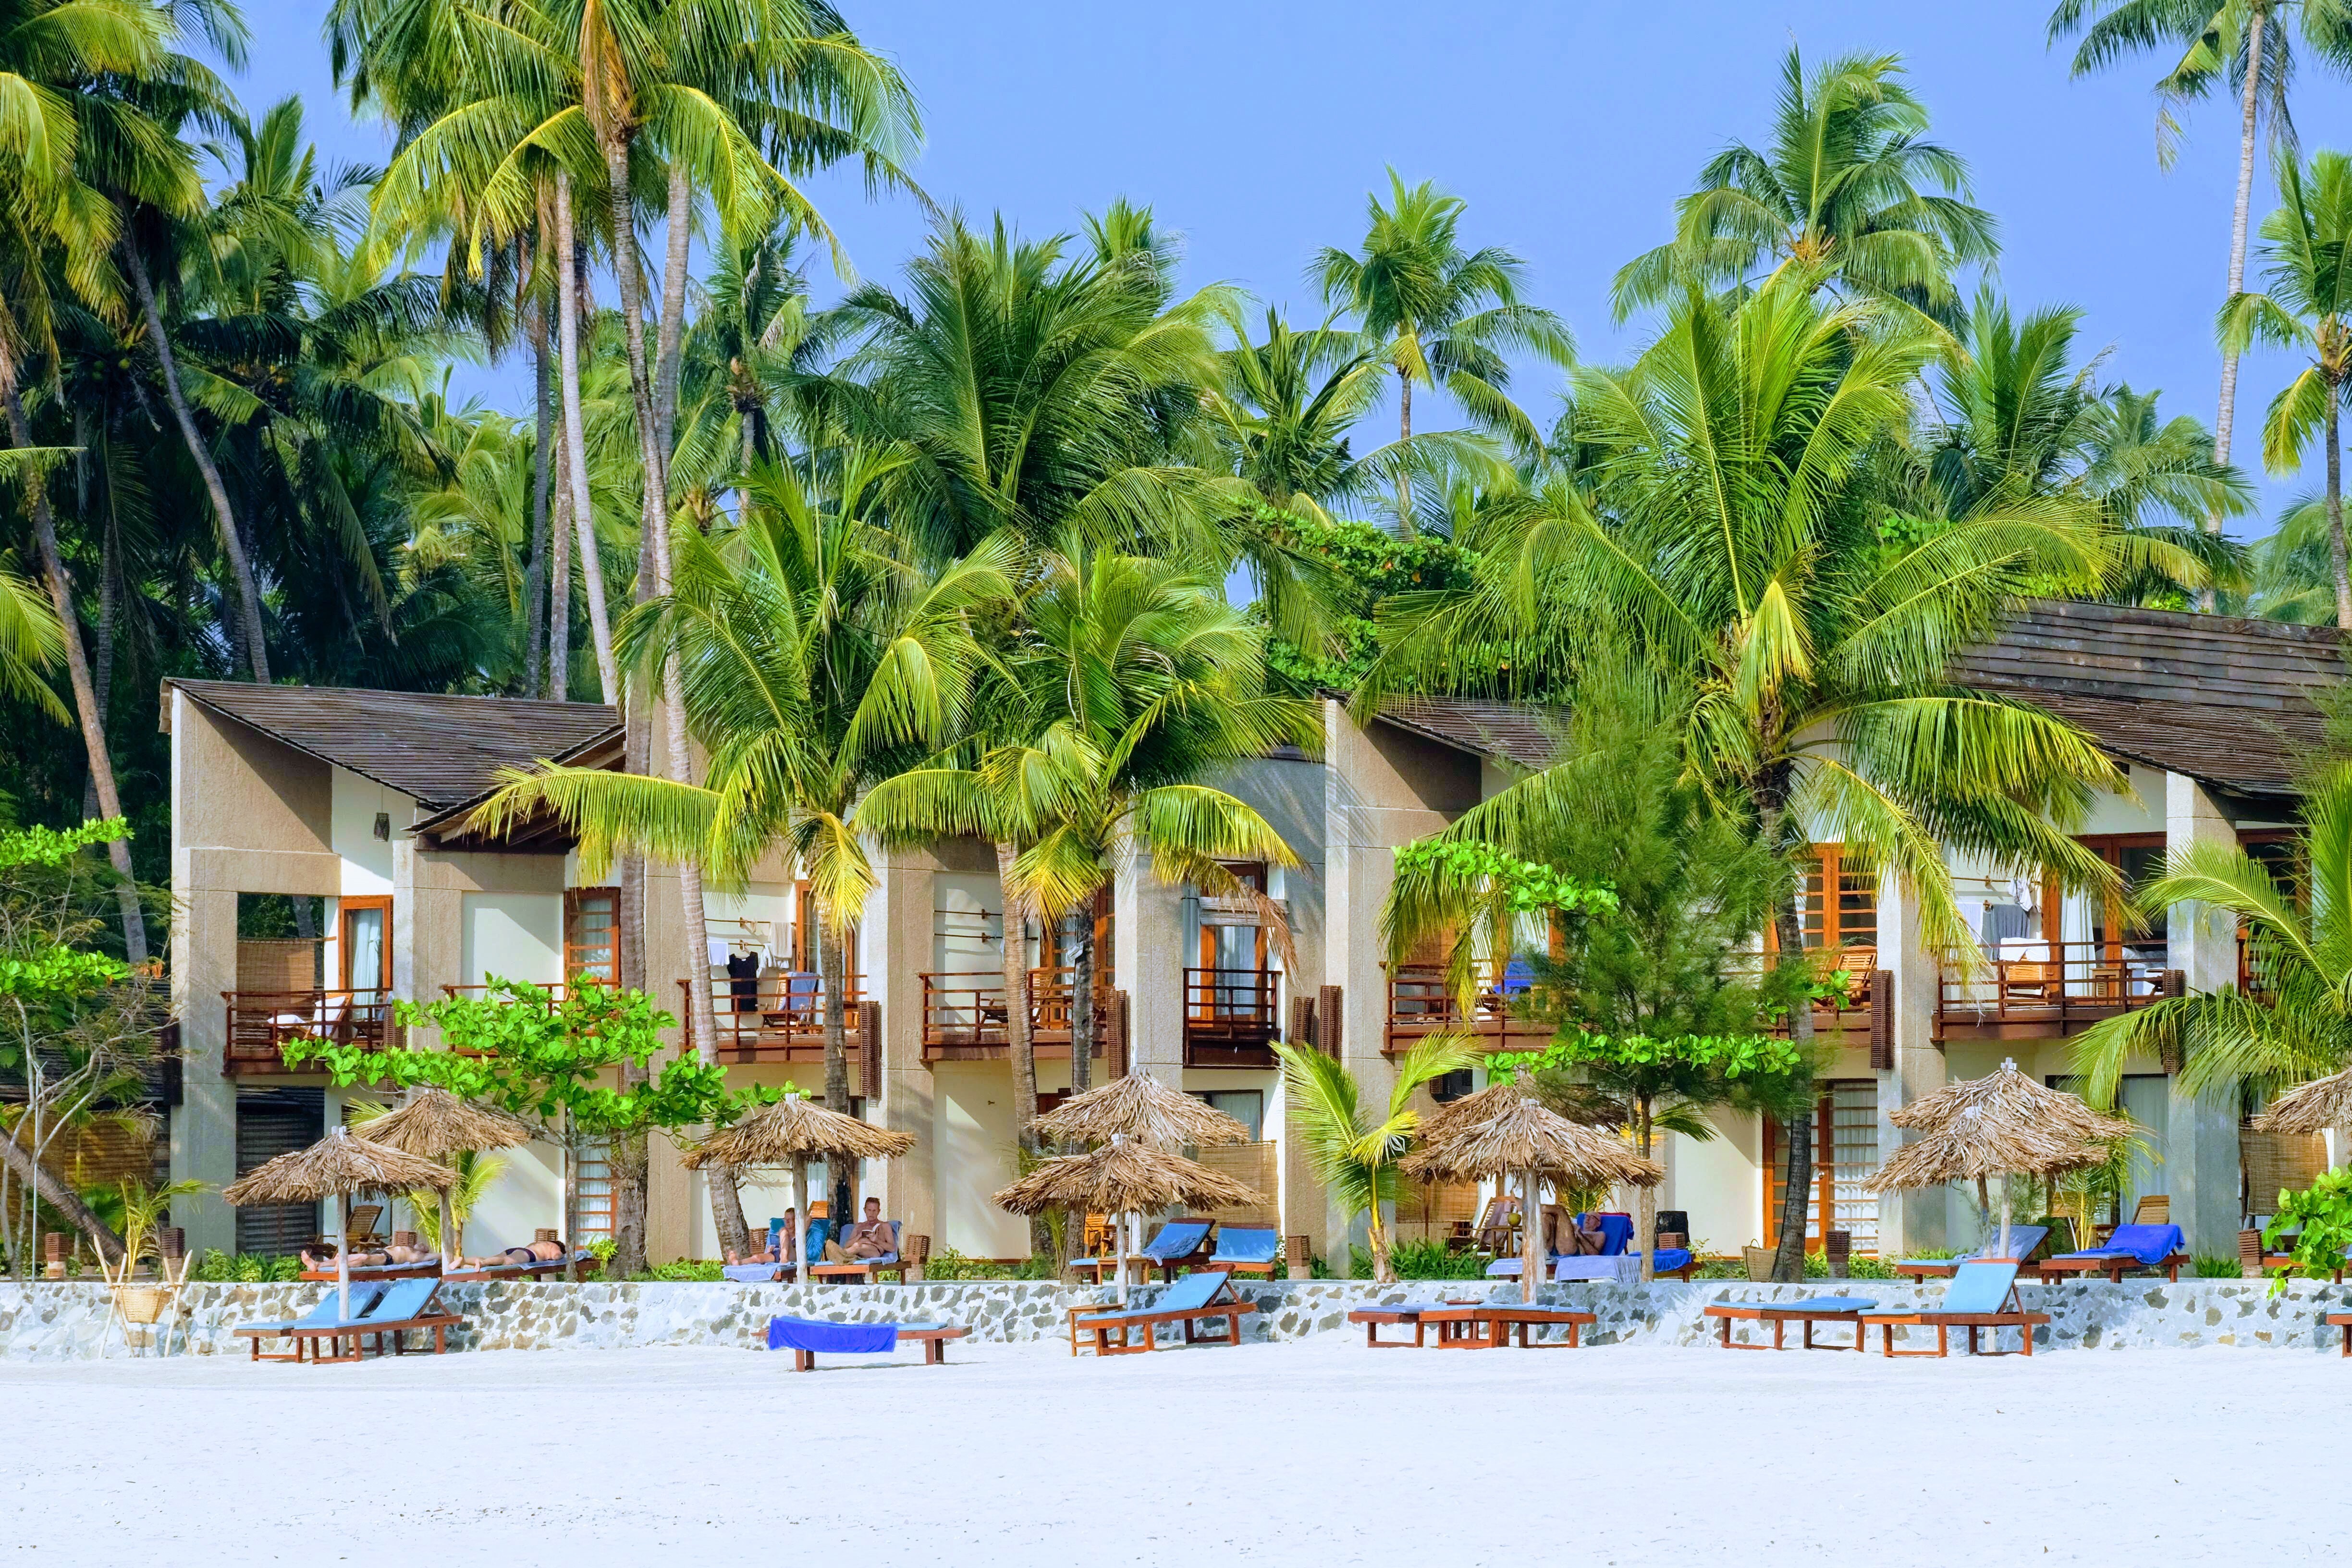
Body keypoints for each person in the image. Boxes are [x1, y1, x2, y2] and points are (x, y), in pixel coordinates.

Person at [826, 1197, 894, 1261]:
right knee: (857, 1245)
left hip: (875, 1252)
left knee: (857, 1246)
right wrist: (858, 1237)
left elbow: (892, 1248)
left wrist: (877, 1241)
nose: (872, 1213)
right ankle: (843, 1255)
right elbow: (847, 1245)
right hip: (857, 1252)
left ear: (879, 1211)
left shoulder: (885, 1226)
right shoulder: (860, 1226)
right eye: (869, 1210)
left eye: (874, 1211)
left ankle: (840, 1255)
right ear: (865, 1210)